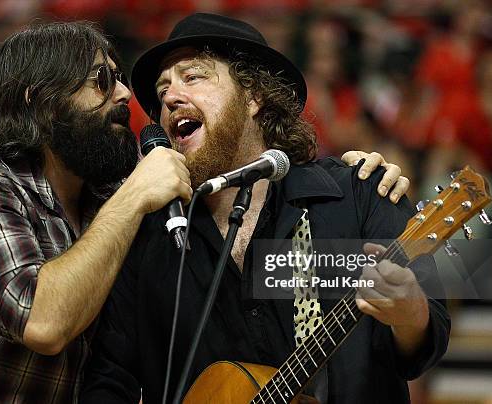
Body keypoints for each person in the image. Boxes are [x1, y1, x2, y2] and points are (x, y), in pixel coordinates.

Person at [0, 20, 405, 403]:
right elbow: (46, 323)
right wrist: (135, 195)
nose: (126, 97)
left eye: (193, 77)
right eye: (102, 81)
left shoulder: (113, 201)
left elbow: (435, 298)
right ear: (41, 102)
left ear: (255, 98)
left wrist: (367, 181)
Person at [81, 13, 450, 403]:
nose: (170, 98)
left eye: (193, 77)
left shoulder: (357, 194)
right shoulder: (149, 237)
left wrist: (408, 311)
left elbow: (427, 340)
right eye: (162, 91)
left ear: (254, 96)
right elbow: (109, 379)